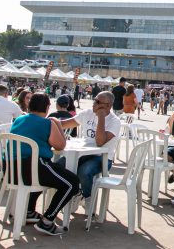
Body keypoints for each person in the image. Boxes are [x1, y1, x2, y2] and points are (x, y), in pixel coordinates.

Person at [9, 93, 80, 236]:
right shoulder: (47, 123)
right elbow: (60, 146)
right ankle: (47, 221)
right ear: (48, 107)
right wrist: (57, 124)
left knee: (51, 173)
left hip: (12, 169)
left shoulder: (19, 119)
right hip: (32, 167)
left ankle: (29, 210)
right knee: (72, 183)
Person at [58, 91, 121, 213]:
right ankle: (74, 192)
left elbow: (100, 142)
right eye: (94, 99)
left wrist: (101, 117)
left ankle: (87, 197)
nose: (94, 103)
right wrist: (48, 122)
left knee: (84, 171)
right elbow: (66, 124)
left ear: (108, 106)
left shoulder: (114, 121)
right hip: (82, 153)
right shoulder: (87, 113)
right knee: (60, 166)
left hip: (102, 157)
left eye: (98, 102)